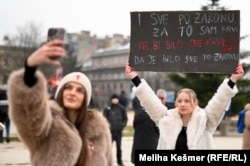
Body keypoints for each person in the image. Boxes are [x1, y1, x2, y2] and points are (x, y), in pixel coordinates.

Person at [7, 40, 113, 166]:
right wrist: (30, 68)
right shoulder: (47, 124)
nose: (72, 93)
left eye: (80, 91)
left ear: (86, 99)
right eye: (68, 88)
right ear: (61, 92)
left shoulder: (99, 131)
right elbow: (29, 113)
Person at [125, 62, 244, 149]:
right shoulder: (166, 119)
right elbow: (149, 100)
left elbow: (219, 101)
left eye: (187, 101)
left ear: (194, 103)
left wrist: (233, 79)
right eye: (180, 101)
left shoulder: (205, 120)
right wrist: (134, 77)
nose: (182, 104)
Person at [130, 96, 159, 164]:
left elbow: (135, 126)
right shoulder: (155, 114)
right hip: (152, 143)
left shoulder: (138, 114)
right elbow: (158, 129)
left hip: (139, 143)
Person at [103, 94, 128, 166]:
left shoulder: (121, 108)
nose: (115, 100)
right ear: (111, 100)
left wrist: (122, 126)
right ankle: (107, 161)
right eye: (113, 99)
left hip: (118, 132)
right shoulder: (108, 108)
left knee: (119, 148)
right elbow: (104, 119)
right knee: (108, 148)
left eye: (116, 99)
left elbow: (125, 119)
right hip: (110, 132)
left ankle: (119, 161)